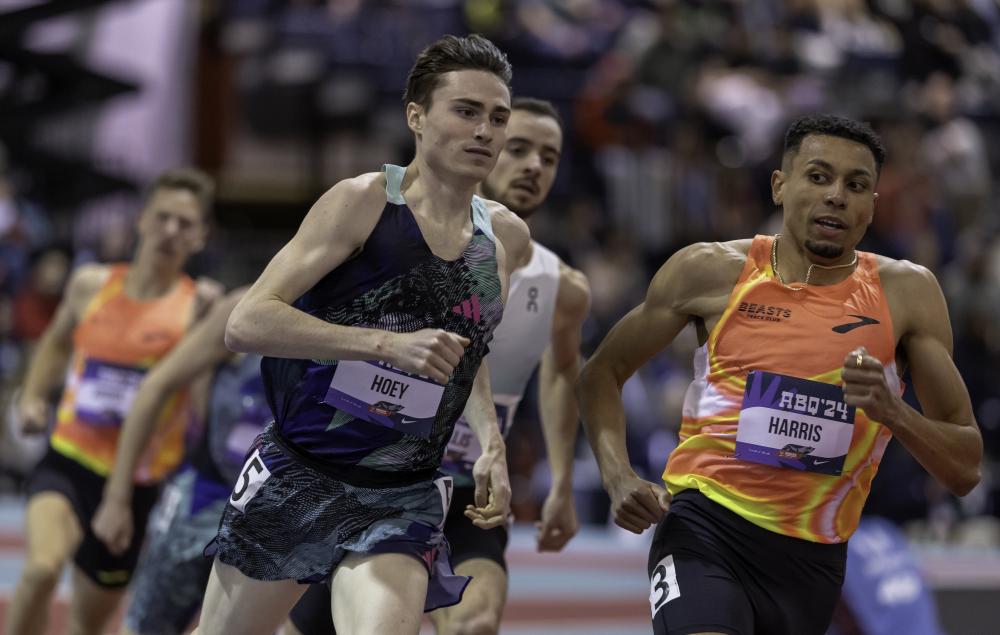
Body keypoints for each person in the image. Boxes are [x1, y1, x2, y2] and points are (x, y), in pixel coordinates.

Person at [578, 114, 982, 635]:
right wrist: (618, 477)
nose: (836, 195)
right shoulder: (710, 271)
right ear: (779, 185)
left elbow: (965, 466)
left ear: (872, 206)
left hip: (813, 561)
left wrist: (894, 412)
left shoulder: (907, 295)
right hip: (704, 528)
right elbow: (602, 373)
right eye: (818, 176)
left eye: (856, 185)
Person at [190, 33, 530, 635]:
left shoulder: (503, 239)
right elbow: (248, 322)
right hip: (302, 473)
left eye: (497, 118)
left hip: (404, 493)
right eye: (467, 111)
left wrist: (490, 443)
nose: (485, 131)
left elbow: (468, 347)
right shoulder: (363, 202)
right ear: (416, 117)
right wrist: (386, 344)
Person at [285, 97, 592, 635]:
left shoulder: (562, 287)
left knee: (476, 623)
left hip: (466, 491)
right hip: (362, 471)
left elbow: (562, 373)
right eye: (517, 147)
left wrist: (562, 479)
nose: (533, 166)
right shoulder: (391, 236)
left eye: (550, 156)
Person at [6, 168, 218, 635]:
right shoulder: (90, 284)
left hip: (140, 483)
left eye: (185, 224)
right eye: (162, 217)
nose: (170, 231)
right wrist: (34, 397)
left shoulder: (196, 309)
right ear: (142, 220)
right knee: (41, 568)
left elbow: (203, 398)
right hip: (68, 459)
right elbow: (58, 341)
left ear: (200, 236)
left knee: (87, 622)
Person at [90, 288, 270, 635]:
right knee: (147, 625)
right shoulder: (245, 306)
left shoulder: (359, 323)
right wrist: (117, 497)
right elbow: (156, 385)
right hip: (205, 496)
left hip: (280, 513)